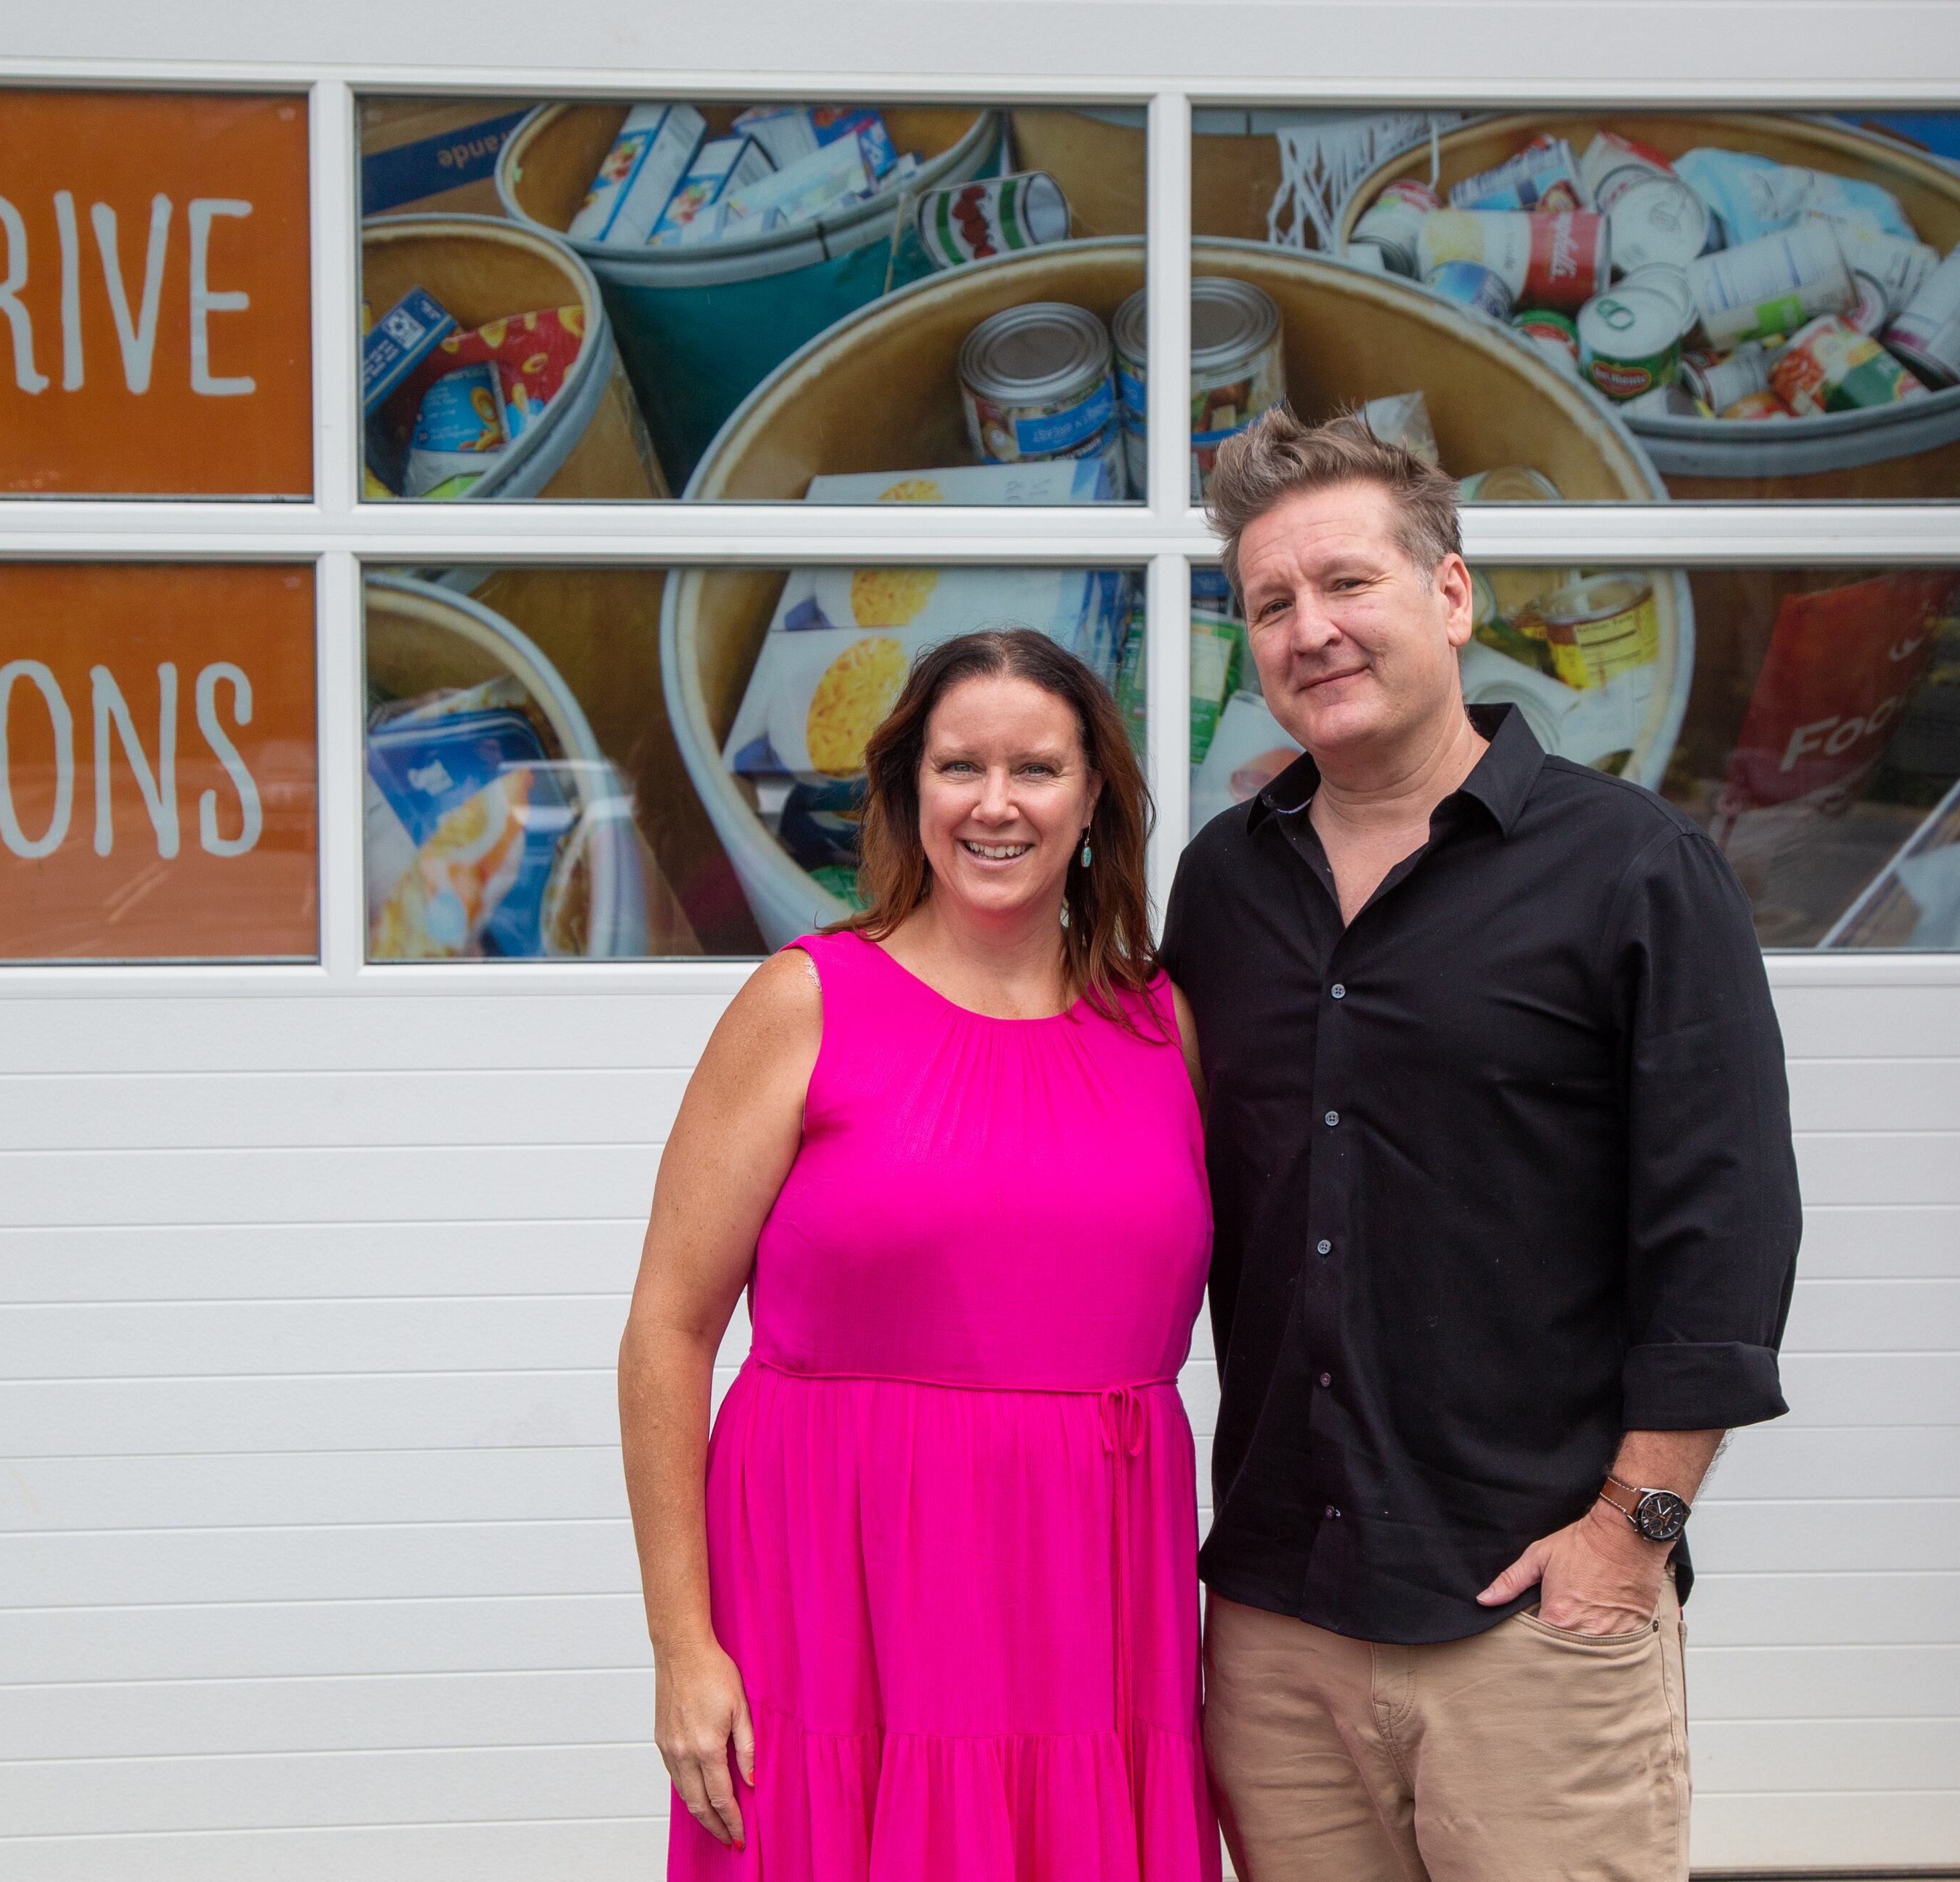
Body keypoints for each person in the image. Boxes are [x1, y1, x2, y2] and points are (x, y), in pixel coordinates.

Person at [1162, 406, 1802, 1882]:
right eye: (1271, 603)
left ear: (1452, 595)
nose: (1311, 630)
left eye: (1348, 582)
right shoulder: (1222, 886)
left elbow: (1725, 1232)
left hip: (1531, 1612)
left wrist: (1632, 1532)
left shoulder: (1633, 868)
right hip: (1276, 1621)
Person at [620, 628, 1224, 1880]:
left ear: (1094, 799)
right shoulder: (807, 1003)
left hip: (1092, 1600)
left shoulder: (1163, 1027)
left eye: (1036, 769)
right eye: (960, 767)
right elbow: (668, 1331)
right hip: (838, 1600)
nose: (996, 804)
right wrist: (682, 1645)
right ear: (908, 792)